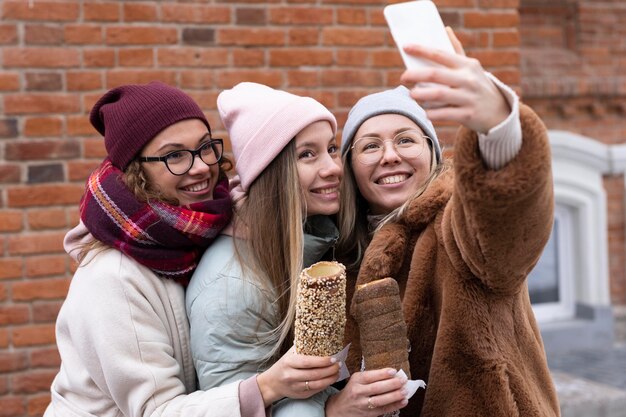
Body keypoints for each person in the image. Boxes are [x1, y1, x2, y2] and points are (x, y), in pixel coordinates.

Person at [338, 30, 561, 416]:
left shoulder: (455, 228)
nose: (389, 156)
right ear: (350, 167)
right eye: (371, 145)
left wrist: (496, 125)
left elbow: (502, 224)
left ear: (431, 151)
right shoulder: (340, 258)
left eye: (406, 140)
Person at [44, 81, 266, 417]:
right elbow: (157, 411)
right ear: (137, 171)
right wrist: (267, 388)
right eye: (175, 155)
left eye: (206, 147)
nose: (202, 166)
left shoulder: (210, 229)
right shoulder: (112, 278)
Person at [186, 82, 409, 417]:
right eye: (307, 154)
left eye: (331, 149)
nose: (333, 167)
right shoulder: (233, 285)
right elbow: (235, 404)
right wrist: (335, 410)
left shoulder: (316, 239)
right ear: (271, 172)